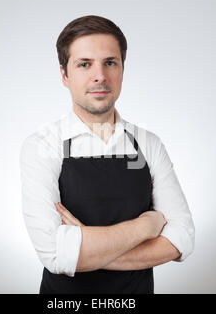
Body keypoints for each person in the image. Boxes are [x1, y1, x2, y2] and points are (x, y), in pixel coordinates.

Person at [20, 15, 195, 294]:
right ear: (65, 75)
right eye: (85, 64)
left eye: (110, 63)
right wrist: (145, 227)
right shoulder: (43, 145)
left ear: (122, 70)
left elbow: (182, 239)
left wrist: (84, 247)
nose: (99, 75)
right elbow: (54, 253)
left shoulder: (148, 144)